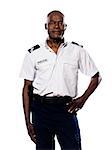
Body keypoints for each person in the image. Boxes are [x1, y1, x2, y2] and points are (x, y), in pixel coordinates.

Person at [20, 10, 102, 150]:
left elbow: (96, 77)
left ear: (65, 26)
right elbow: (27, 88)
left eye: (60, 23)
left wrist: (82, 99)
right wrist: (28, 122)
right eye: (52, 22)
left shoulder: (77, 51)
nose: (56, 26)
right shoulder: (34, 54)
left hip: (66, 110)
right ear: (46, 26)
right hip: (41, 111)